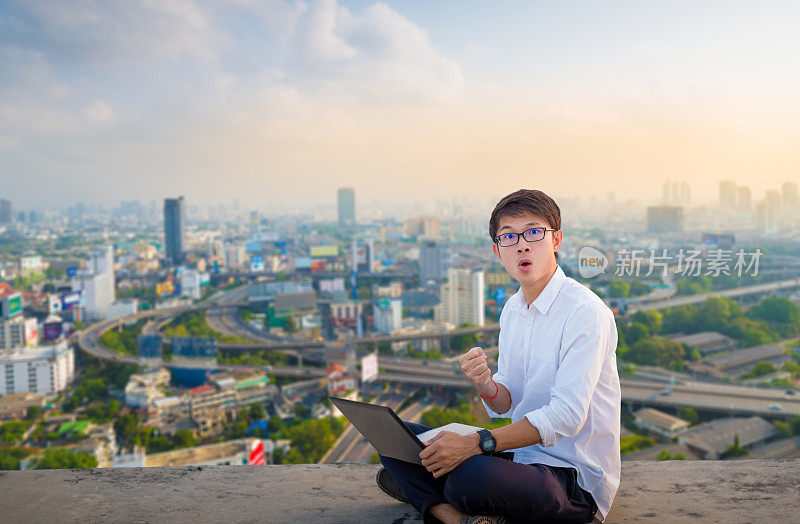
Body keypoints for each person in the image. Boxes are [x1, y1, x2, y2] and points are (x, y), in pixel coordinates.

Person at [376, 189, 621, 524]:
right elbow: (506, 403)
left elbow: (566, 417)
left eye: (534, 232)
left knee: (469, 476)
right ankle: (452, 513)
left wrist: (477, 443)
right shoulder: (513, 310)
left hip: (573, 478)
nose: (521, 244)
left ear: (556, 240)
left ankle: (434, 493)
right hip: (519, 458)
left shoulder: (586, 312)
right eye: (509, 236)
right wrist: (486, 383)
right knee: (396, 435)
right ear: (497, 250)